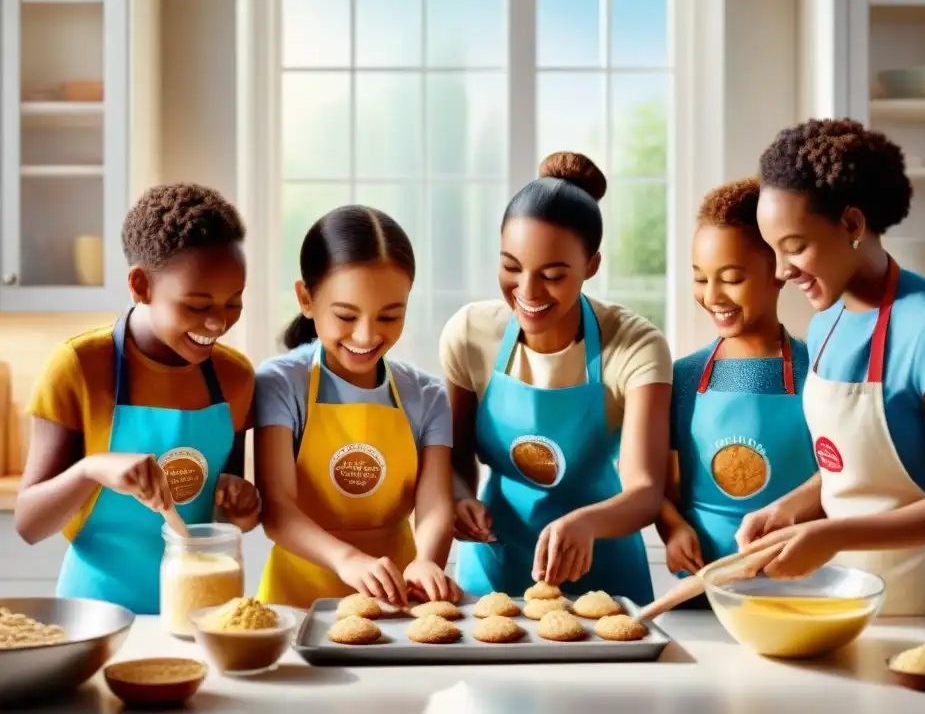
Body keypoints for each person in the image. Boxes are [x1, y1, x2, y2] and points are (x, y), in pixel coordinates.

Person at [739, 117, 925, 616]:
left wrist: (832, 534)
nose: (779, 270)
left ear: (852, 225)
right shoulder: (826, 323)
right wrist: (792, 508)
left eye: (795, 247)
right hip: (845, 594)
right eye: (773, 250)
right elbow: (856, 473)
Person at [15, 183, 261, 614]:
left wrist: (243, 507)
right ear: (141, 285)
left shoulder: (235, 377)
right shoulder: (79, 367)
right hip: (96, 610)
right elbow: (30, 525)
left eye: (233, 303)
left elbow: (227, 516)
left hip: (203, 608)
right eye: (196, 304)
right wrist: (92, 469)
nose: (218, 322)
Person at [440, 152, 672, 605]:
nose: (527, 292)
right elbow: (452, 456)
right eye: (510, 267)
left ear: (591, 266)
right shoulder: (470, 334)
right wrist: (461, 497)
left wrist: (585, 523)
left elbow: (645, 491)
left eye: (552, 275)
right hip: (495, 568)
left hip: (605, 573)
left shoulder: (635, 344)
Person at [254, 205, 458, 609]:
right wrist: (346, 559)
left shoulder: (427, 395)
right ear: (306, 299)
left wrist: (426, 561)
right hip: (295, 604)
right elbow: (277, 509)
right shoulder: (281, 383)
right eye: (346, 315)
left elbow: (435, 504)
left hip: (398, 602)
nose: (367, 335)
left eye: (390, 316)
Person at [657, 178, 817, 607]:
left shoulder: (816, 373)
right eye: (700, 279)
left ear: (778, 272)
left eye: (731, 278)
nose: (712, 297)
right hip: (700, 592)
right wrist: (672, 529)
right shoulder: (684, 378)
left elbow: (840, 481)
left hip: (796, 592)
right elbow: (660, 489)